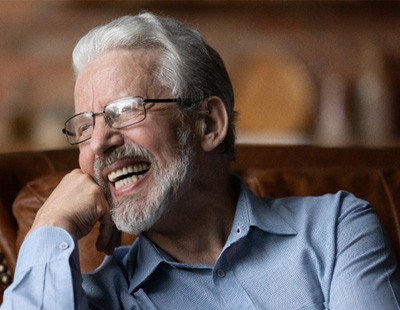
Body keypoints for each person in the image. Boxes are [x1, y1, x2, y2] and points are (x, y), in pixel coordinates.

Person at [2, 12, 400, 309]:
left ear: (208, 124)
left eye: (124, 110)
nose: (100, 142)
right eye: (84, 126)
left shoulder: (336, 230)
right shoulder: (100, 297)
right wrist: (50, 225)